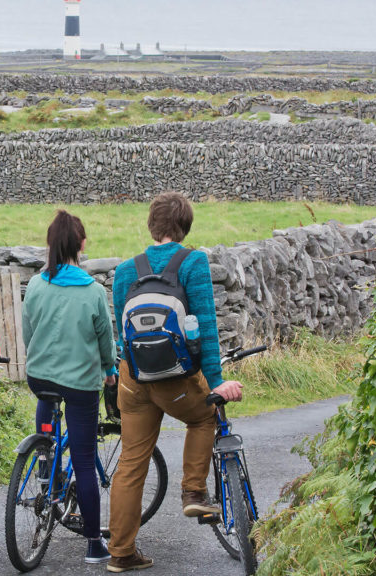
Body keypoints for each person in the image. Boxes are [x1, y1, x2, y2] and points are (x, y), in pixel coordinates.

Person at [106, 192, 244, 573]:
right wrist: (215, 383)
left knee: (131, 463)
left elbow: (122, 336)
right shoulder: (193, 262)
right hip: (176, 379)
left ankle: (120, 553)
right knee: (204, 416)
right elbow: (207, 328)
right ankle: (194, 491)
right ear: (185, 226)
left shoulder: (125, 270)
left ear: (152, 224)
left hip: (133, 378)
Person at [22, 210, 118, 565]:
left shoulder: (36, 284)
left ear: (50, 244)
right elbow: (105, 341)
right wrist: (109, 370)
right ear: (81, 244)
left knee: (48, 399)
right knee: (84, 459)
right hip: (79, 385)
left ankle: (44, 457)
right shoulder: (92, 291)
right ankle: (93, 543)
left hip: (40, 377)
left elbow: (29, 333)